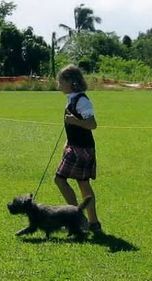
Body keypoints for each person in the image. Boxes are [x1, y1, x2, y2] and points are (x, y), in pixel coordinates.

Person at [54, 64, 102, 233]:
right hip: (74, 147)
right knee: (76, 183)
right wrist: (67, 142)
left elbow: (92, 124)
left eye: (61, 82)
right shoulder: (72, 99)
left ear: (71, 82)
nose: (58, 85)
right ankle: (89, 222)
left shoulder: (82, 100)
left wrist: (74, 121)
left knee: (70, 182)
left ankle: (78, 219)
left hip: (83, 149)